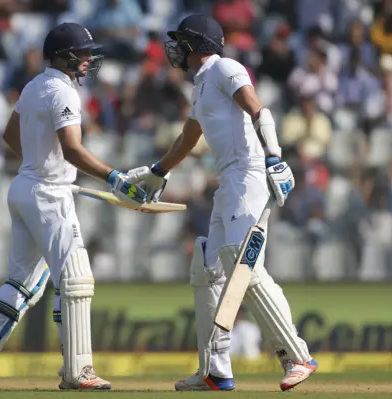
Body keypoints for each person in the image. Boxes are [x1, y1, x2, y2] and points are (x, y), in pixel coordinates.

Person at [126, 14, 317, 391]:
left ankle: (297, 356)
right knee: (206, 267)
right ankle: (215, 369)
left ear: (196, 45)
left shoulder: (225, 68)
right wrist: (157, 172)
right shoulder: (199, 87)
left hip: (248, 174)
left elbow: (259, 109)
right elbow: (186, 140)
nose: (175, 50)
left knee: (240, 260)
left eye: (181, 42)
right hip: (227, 182)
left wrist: (275, 156)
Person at [0, 22, 148, 391]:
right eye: (84, 53)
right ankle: (78, 371)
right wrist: (115, 178)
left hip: (25, 189)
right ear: (63, 56)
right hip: (48, 197)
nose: (90, 60)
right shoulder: (64, 92)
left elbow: (10, 135)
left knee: (24, 282)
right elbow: (73, 149)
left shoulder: (32, 86)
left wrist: (41, 166)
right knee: (75, 278)